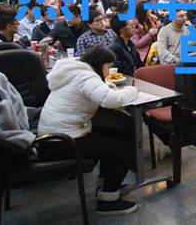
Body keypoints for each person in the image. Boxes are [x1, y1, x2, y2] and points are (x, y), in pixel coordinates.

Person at [38, 46, 139, 216]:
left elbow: (93, 92)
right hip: (62, 141)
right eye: (107, 67)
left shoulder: (73, 72)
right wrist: (133, 90)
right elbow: (112, 100)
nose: (107, 73)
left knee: (115, 134)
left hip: (53, 136)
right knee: (123, 147)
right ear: (100, 64)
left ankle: (107, 185)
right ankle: (108, 202)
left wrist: (105, 86)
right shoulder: (85, 76)